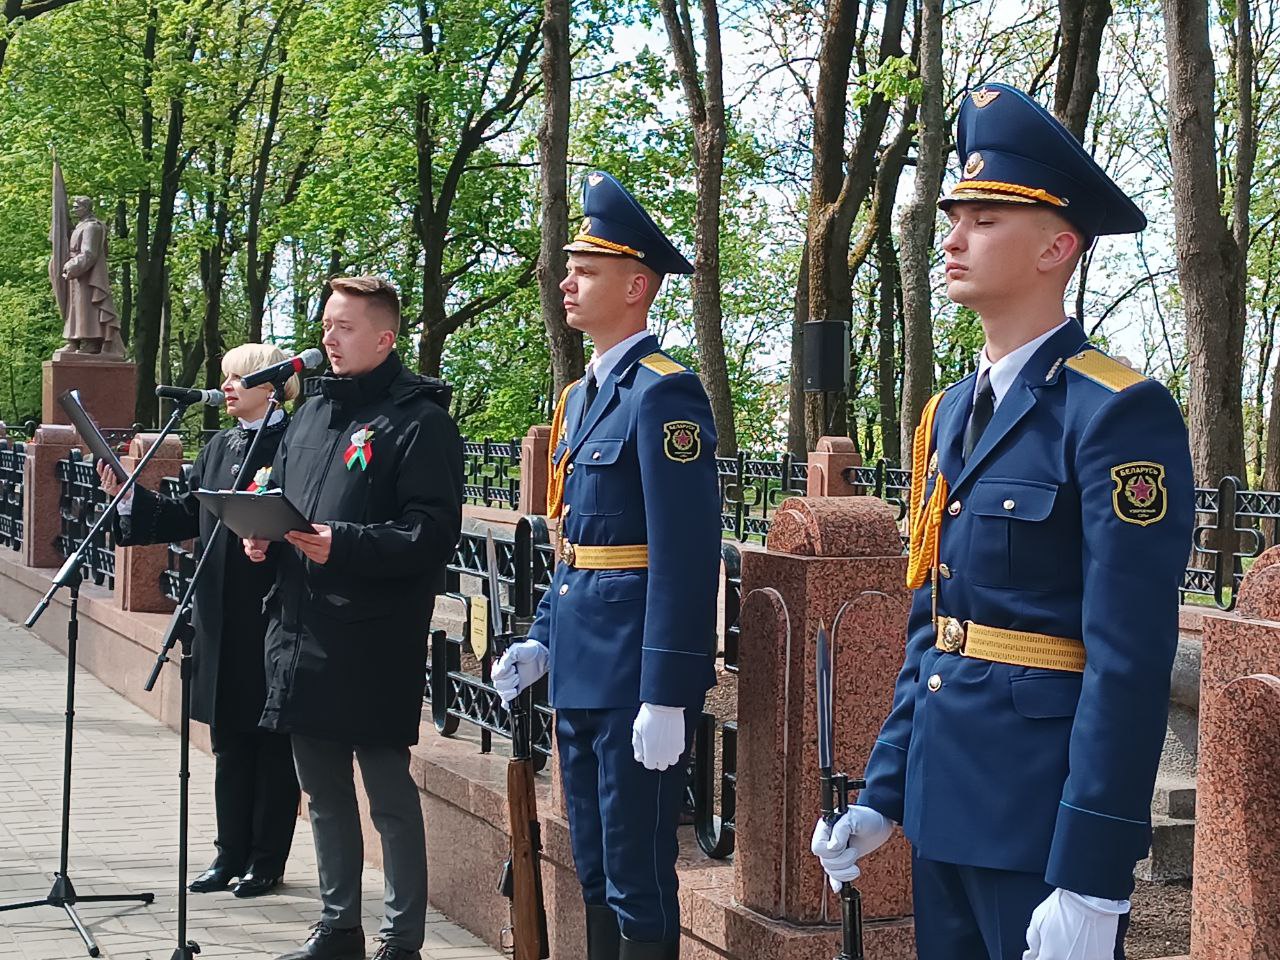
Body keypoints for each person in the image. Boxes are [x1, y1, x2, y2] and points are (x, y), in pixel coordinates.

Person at [809, 84, 1195, 960]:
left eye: (983, 218)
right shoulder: (950, 413)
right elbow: (937, 629)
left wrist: (1093, 873)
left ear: (1059, 246)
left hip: (1041, 823)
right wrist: (884, 792)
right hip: (946, 807)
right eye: (955, 215)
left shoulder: (1116, 414)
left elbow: (1128, 661)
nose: (951, 237)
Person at [492, 171, 722, 960]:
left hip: (631, 677)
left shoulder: (665, 394)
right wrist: (543, 638)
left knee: (636, 873)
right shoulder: (585, 396)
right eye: (569, 267)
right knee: (592, 866)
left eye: (585, 270)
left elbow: (686, 555)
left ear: (636, 285)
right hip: (583, 669)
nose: (566, 280)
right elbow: (576, 544)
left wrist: (668, 692)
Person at [243, 277, 464, 960]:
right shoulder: (309, 414)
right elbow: (287, 497)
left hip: (372, 639)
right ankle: (339, 928)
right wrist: (260, 534)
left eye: (344, 326)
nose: (328, 338)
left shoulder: (420, 421)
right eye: (326, 324)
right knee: (322, 790)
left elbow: (432, 534)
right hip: (300, 628)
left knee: (387, 791)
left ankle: (401, 939)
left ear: (384, 337)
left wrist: (346, 543)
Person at [97, 344, 302, 897]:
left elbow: (308, 520)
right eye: (224, 376)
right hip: (217, 608)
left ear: (272, 386)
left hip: (272, 609)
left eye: (238, 377)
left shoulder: (297, 442)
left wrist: (274, 544)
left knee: (270, 741)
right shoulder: (219, 445)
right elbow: (190, 512)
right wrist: (128, 498)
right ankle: (228, 853)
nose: (227, 385)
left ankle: (267, 859)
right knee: (229, 739)